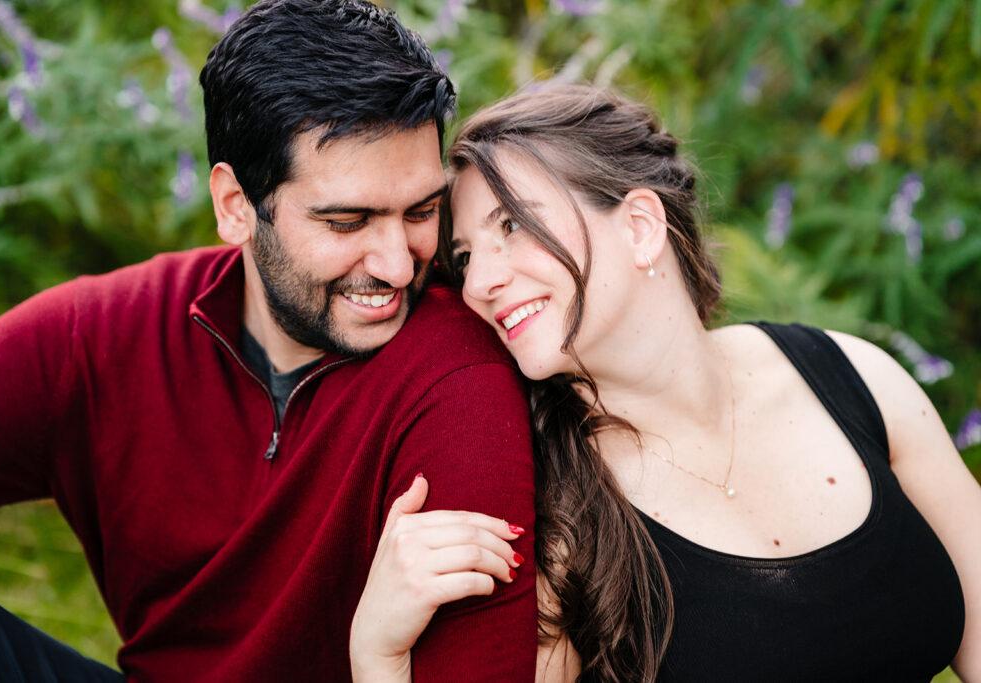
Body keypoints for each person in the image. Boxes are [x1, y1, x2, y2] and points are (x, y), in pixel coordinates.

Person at [0, 1, 537, 680]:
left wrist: (376, 657)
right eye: (348, 220)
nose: (398, 264)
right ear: (235, 205)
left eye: (420, 211)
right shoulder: (102, 334)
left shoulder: (458, 378)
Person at [350, 84, 981, 682]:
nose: (479, 283)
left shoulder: (855, 377)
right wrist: (376, 656)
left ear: (641, 226)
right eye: (462, 259)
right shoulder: (561, 516)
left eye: (511, 225)